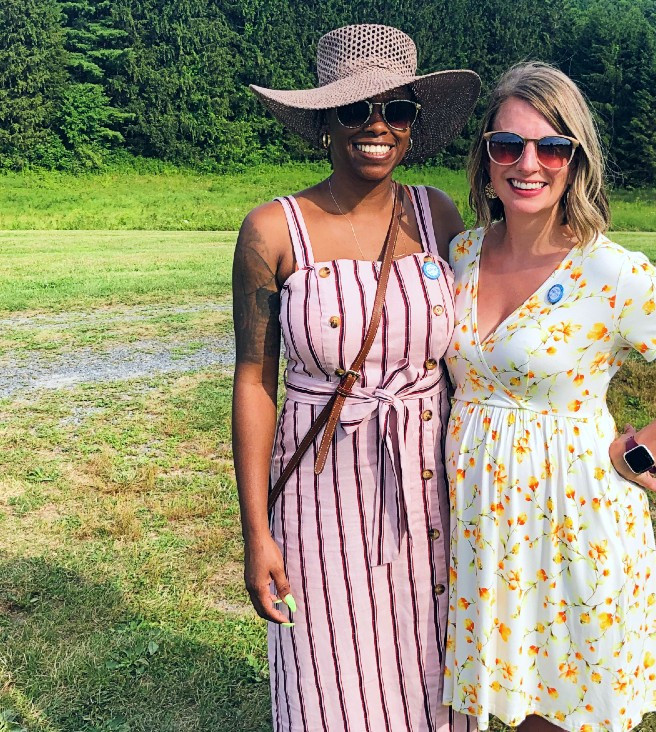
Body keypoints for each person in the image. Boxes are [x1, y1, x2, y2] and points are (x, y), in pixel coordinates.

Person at [442, 62, 656, 732]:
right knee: (505, 693)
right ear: (486, 158)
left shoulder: (609, 269)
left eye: (551, 147)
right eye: (509, 145)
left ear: (575, 160)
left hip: (571, 516)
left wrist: (640, 453)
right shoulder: (462, 253)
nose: (529, 164)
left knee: (563, 706)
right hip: (481, 519)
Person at [233, 24, 481, 732]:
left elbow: (472, 357)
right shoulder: (272, 231)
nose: (377, 126)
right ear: (323, 122)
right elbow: (254, 383)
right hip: (319, 492)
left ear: (413, 124)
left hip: (429, 486)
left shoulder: (436, 215)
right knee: (329, 677)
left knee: (433, 671)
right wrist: (257, 535)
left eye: (395, 109)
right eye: (355, 110)